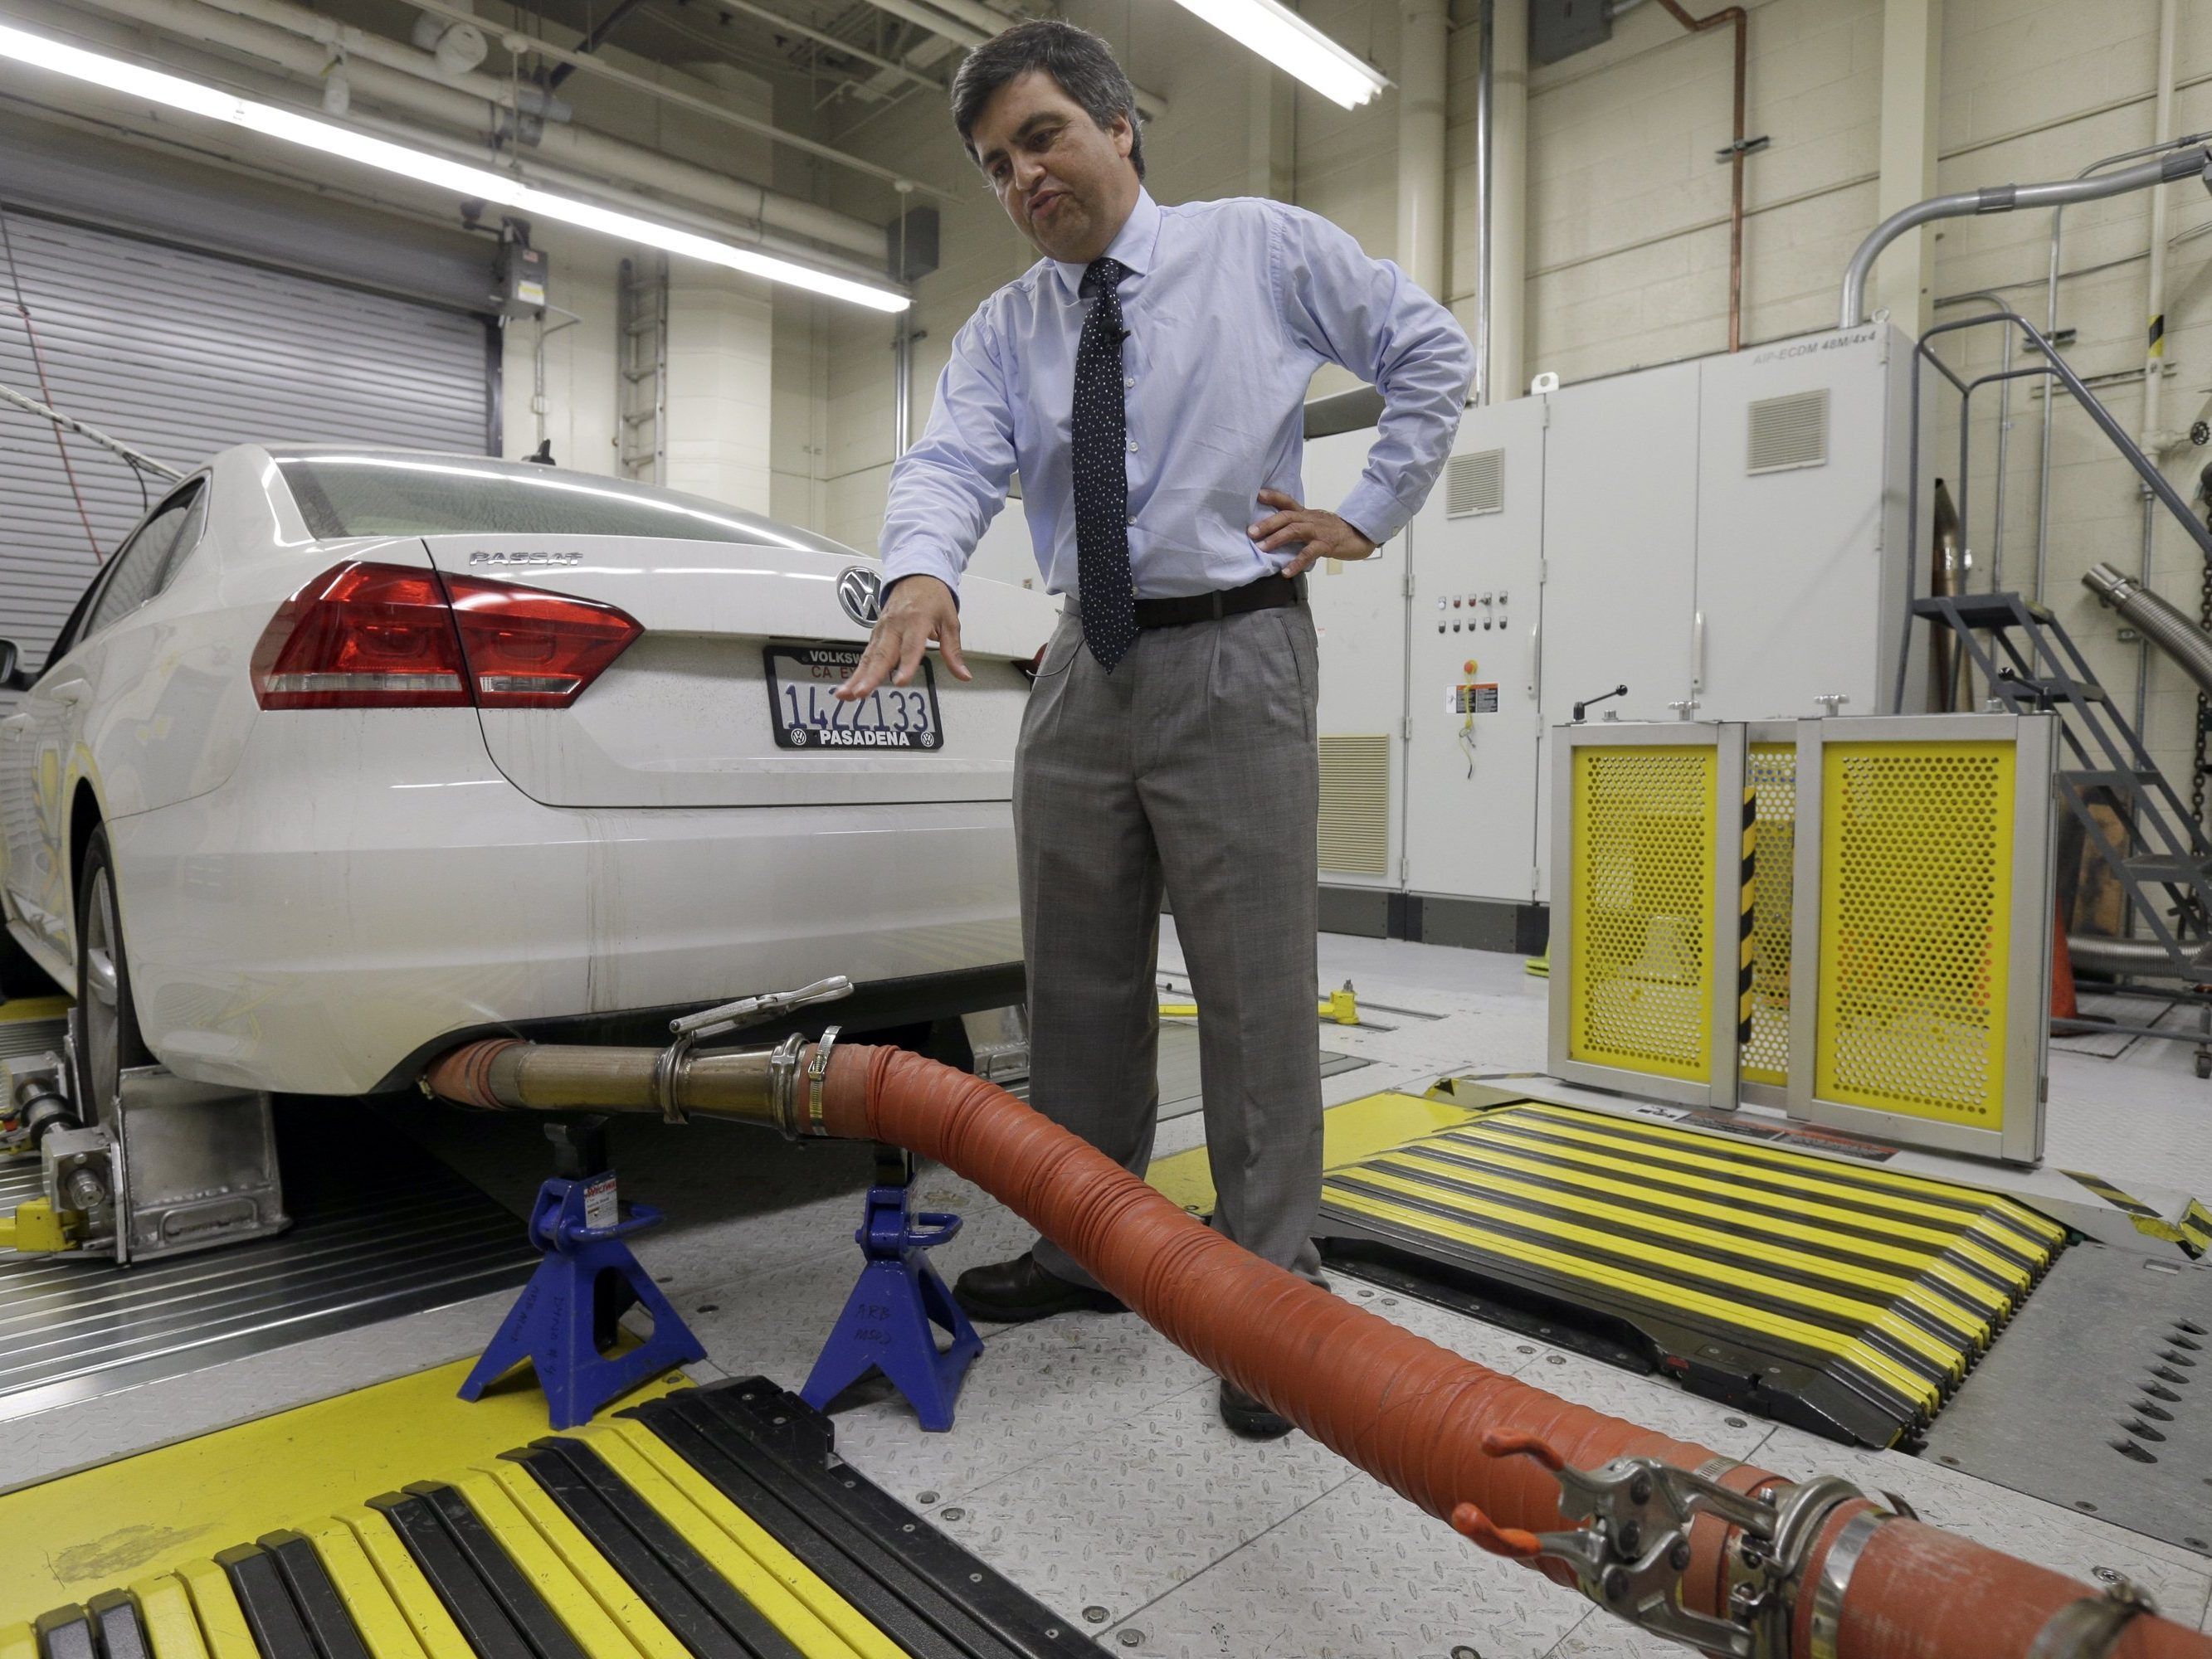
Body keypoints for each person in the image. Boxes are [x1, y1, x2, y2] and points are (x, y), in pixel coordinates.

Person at [836, 18, 1473, 1439]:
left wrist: (1362, 510)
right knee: (1074, 982)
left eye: (1042, 137)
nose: (1024, 179)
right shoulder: (1008, 329)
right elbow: (948, 461)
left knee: (1250, 986)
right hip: (1083, 664)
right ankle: (1083, 1245)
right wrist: (924, 565)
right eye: (998, 166)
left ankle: (1268, 1296)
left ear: (1120, 127)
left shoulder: (1257, 249)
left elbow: (1430, 353)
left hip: (1232, 651)